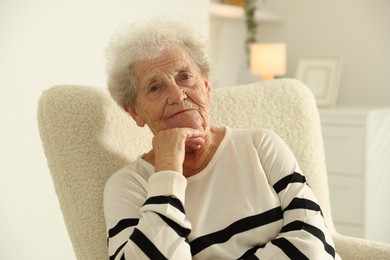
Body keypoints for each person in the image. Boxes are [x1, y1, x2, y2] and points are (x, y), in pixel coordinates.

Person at [103, 18, 340, 260]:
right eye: (155, 88)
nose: (177, 94)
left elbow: (315, 246)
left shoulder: (261, 146)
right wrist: (167, 174)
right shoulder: (128, 187)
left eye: (185, 77)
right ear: (134, 112)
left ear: (206, 85)